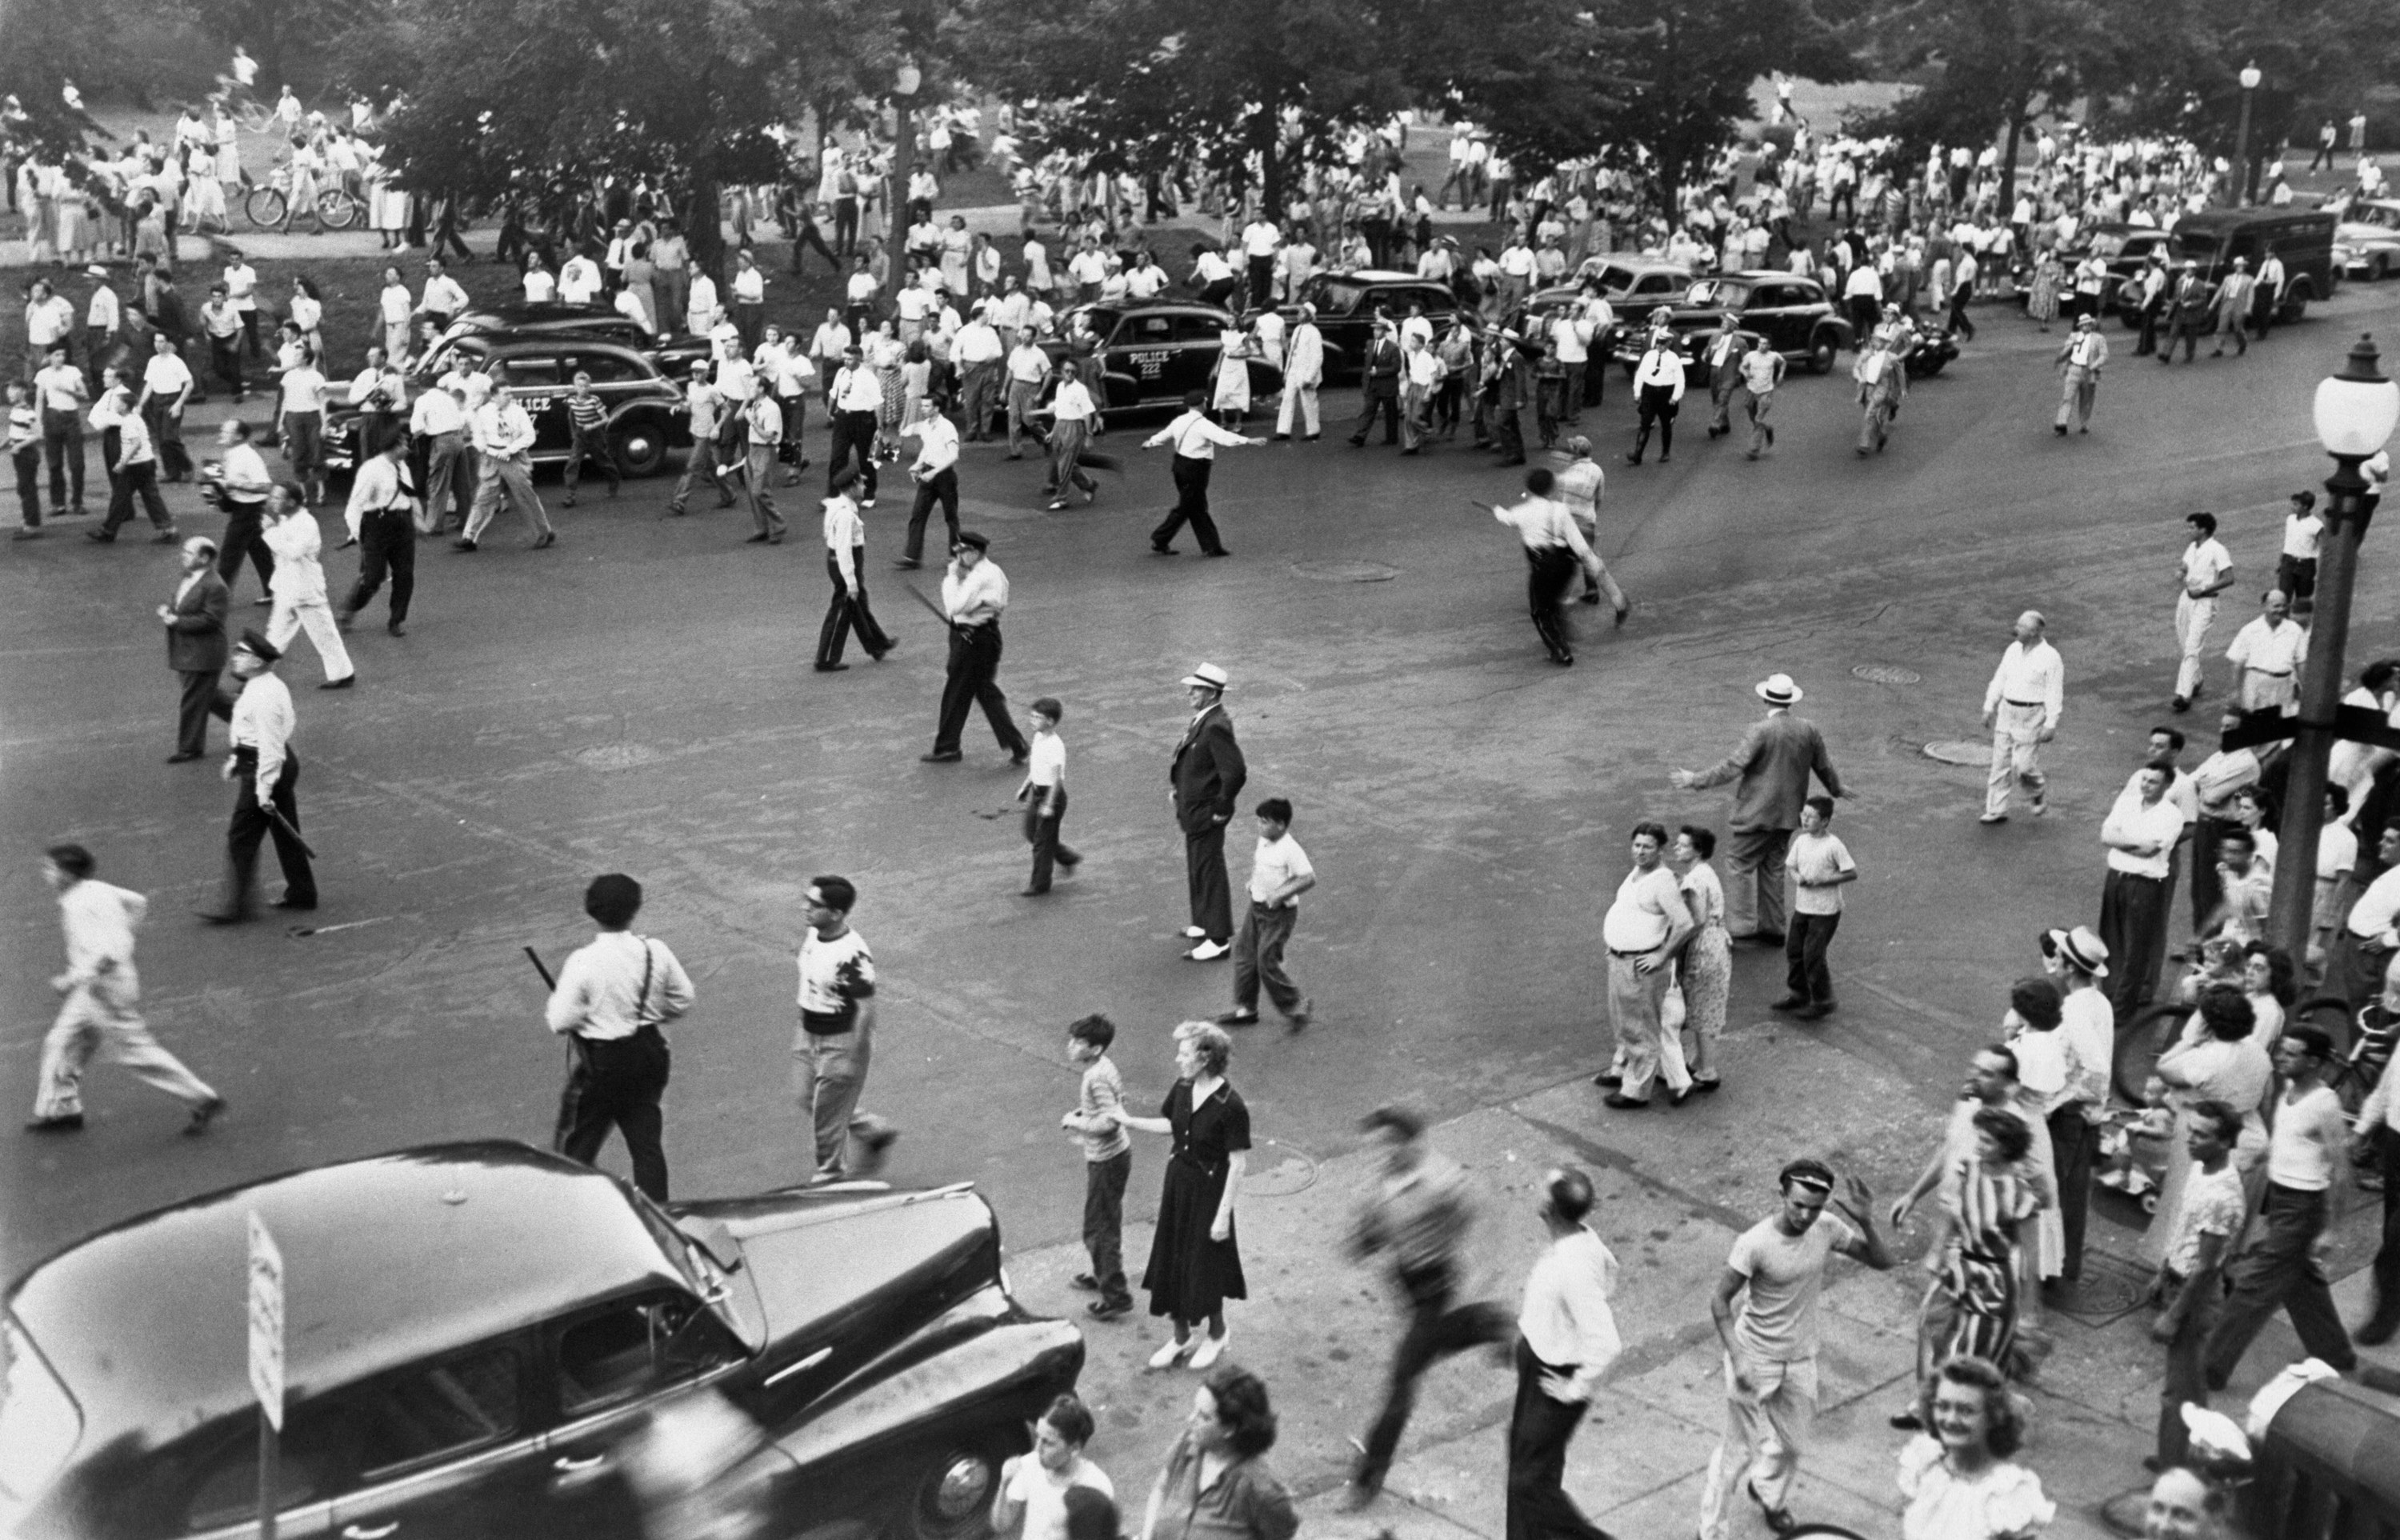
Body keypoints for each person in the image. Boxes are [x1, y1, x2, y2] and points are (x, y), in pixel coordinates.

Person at [1699, 1160, 1893, 1540]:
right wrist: (1738, 1357)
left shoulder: (1828, 1229)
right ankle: (1711, 1531)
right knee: (1735, 1454)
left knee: (1793, 1445)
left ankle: (1768, 1491)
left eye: (1815, 1207)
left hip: (1800, 1359)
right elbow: (1720, 1301)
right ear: (1783, 1195)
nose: (1805, 1215)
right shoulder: (1755, 1243)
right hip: (1755, 1359)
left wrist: (1868, 1221)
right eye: (1798, 1204)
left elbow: (1884, 1262)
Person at [1340, 1106, 1511, 1508]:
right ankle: (1492, 1326)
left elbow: (1484, 1219)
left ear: (1409, 1144)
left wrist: (1479, 1274)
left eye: (1385, 1147)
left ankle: (1368, 1479)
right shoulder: (1382, 1181)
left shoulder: (1442, 1182)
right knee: (1436, 1345)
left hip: (1436, 1288)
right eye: (1373, 1148)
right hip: (1408, 1284)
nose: (1377, 1156)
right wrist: (1365, 1239)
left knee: (1402, 1383)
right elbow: (1374, 1231)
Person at [26, 843, 225, 1136]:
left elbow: (108, 954)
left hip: (106, 991)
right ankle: (61, 1110)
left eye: (50, 868)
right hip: (96, 987)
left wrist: (72, 979)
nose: (46, 874)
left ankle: (202, 1099)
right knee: (61, 1041)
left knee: (136, 1052)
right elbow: (138, 902)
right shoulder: (95, 888)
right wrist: (125, 931)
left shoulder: (81, 905)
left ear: (67, 874)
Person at [2201, 1025, 2358, 1386]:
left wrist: (2332, 1229)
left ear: (2314, 1062)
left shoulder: (2325, 1105)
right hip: (2283, 1198)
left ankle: (2211, 1368)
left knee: (2252, 1288)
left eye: (2291, 1053)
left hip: (2303, 1210)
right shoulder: (2288, 1090)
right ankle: (2336, 1354)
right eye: (2282, 1050)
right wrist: (2257, 1160)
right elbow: (2287, 1141)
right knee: (2301, 1282)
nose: (2280, 1057)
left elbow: (2341, 1171)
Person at [545, 872, 694, 1202]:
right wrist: (650, 1017)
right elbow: (683, 998)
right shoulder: (655, 950)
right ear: (635, 909)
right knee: (646, 1145)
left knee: (581, 1144)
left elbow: (559, 1020)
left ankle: (575, 1210)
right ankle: (660, 1215)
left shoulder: (583, 961)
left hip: (604, 1061)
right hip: (649, 1053)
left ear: (592, 911)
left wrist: (588, 1018)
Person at [1114, 1022, 1250, 1368]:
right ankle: (1181, 1338)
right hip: (1178, 1184)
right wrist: (1129, 1121)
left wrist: (1222, 1216)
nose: (1178, 1059)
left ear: (1205, 1058)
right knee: (1172, 1260)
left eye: (1185, 1053)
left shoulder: (1230, 1105)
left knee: (1204, 1266)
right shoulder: (1184, 1087)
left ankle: (1217, 1334)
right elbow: (1172, 1128)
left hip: (1208, 1191)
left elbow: (1237, 1164)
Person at [1673, 674, 1845, 946]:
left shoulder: (1761, 730)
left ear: (1766, 698)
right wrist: (1836, 789)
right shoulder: (1808, 729)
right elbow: (1823, 765)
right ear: (1790, 701)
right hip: (1788, 815)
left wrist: (1695, 780)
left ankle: (1740, 927)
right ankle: (1773, 926)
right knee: (1772, 866)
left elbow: (1732, 766)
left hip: (1756, 813)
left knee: (1739, 863)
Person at [1508, 1166, 1621, 1540]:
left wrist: (1574, 1388)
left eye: (1543, 1188)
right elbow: (1610, 1271)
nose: (1535, 1188)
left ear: (1549, 1208)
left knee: (1529, 1483)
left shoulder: (1572, 1265)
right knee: (1528, 1466)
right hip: (1540, 1358)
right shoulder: (1582, 1241)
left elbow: (1606, 1343)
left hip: (1555, 1375)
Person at [2150, 1099, 2245, 1467]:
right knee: (2183, 1386)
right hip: (2177, 1281)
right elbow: (2184, 1230)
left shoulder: (2222, 1196)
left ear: (2224, 1143)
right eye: (2191, 1131)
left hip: (2194, 1298)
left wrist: (2174, 1315)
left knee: (2182, 1394)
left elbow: (2206, 1267)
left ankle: (2176, 1471)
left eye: (2202, 1135)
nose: (2191, 1140)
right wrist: (2162, 1272)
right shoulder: (2201, 1169)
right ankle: (2176, 1454)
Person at [200, 630, 317, 922]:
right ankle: (302, 893)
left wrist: (263, 790)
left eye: (241, 654)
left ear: (256, 661)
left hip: (267, 768)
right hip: (268, 763)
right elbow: (265, 732)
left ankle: (235, 907)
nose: (235, 659)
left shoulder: (263, 695)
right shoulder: (263, 686)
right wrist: (236, 759)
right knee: (285, 831)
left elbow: (271, 747)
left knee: (241, 837)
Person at [792, 874, 898, 1182]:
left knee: (825, 1121)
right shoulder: (814, 935)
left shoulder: (852, 954)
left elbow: (866, 1010)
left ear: (837, 914)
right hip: (808, 1032)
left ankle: (830, 1177)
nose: (805, 908)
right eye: (806, 900)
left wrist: (852, 1058)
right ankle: (873, 1130)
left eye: (814, 904)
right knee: (806, 1097)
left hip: (839, 1040)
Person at [1895, 1357, 2055, 1540]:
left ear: (1993, 1416)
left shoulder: (2007, 1493)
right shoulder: (1924, 1462)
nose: (1951, 1419)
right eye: (1943, 1406)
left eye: (1966, 1410)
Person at [1598, 820, 1696, 1108]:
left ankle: (1636, 1091)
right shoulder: (1638, 873)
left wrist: (1661, 956)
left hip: (1638, 965)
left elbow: (1685, 923)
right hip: (1619, 959)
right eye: (1637, 845)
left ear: (1661, 850)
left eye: (1648, 847)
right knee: (1623, 1021)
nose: (1640, 852)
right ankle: (1624, 1070)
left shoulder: (1662, 881)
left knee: (1639, 1028)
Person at [2036, 926, 2114, 1282]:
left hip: (2069, 1116)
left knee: (2053, 1194)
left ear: (2068, 968)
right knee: (2071, 1196)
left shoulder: (2073, 1008)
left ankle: (2048, 1270)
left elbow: (2096, 1068)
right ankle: (2061, 1268)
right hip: (2084, 1117)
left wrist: (2063, 1100)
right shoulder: (2100, 1001)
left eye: (2060, 957)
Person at [1138, 1367, 1297, 1540]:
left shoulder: (1260, 1490)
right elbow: (1161, 1487)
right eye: (1194, 1410)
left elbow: (1282, 1533)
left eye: (1204, 1417)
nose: (1191, 1420)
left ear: (1229, 1429)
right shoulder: (1192, 1440)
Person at [922, 531, 1029, 765]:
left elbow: (954, 607)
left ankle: (948, 747)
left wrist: (952, 578)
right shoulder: (994, 571)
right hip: (985, 635)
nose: (958, 558)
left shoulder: (978, 577)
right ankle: (1014, 742)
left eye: (962, 552)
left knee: (958, 691)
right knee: (983, 691)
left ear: (975, 552)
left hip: (972, 640)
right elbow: (1002, 598)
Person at [1488, 466, 1606, 666]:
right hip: (1565, 564)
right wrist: (1594, 564)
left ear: (1529, 489)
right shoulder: (1560, 510)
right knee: (1554, 599)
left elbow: (1507, 519)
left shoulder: (1521, 511)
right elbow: (1577, 542)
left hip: (1542, 566)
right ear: (1551, 488)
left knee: (1540, 611)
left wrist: (1497, 510)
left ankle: (1560, 650)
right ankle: (1562, 631)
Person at [1170, 664, 1248, 961]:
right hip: (1193, 809)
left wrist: (1221, 808)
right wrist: (1178, 787)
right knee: (1197, 866)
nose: (1190, 693)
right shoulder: (1206, 718)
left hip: (1206, 811)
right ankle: (1203, 923)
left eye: (1196, 689)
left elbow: (1236, 772)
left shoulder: (1215, 724)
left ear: (1212, 693)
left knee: (1209, 870)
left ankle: (1218, 940)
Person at [1215, 798, 1315, 1028]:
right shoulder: (1264, 841)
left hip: (1278, 914)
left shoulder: (1290, 849)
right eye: (1259, 821)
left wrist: (1280, 894)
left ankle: (1295, 1004)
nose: (1259, 826)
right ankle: (1246, 1008)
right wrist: (1254, 881)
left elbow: (1308, 878)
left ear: (1280, 825)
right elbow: (1260, 865)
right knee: (1245, 957)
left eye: (1265, 822)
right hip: (1257, 907)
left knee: (1266, 961)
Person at [2099, 762, 2188, 1020]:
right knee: (2111, 940)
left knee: (2135, 947)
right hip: (2115, 878)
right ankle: (2109, 997)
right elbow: (2106, 836)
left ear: (2167, 785)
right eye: (2144, 780)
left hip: (2145, 885)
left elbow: (2151, 850)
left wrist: (2121, 842)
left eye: (2153, 782)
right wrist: (2135, 843)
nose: (2146, 786)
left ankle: (2121, 1010)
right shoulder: (2127, 802)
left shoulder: (2172, 815)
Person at [1060, 1015, 1133, 1321]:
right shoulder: (1103, 1068)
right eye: (1073, 1039)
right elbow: (1115, 1103)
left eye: (1079, 1042)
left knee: (1098, 1229)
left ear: (1096, 1048)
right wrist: (1084, 1112)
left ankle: (1116, 1296)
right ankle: (1103, 1273)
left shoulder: (1095, 1077)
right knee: (1106, 1223)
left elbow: (1108, 1122)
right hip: (1114, 1157)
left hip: (1106, 1159)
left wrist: (1076, 1121)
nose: (1071, 1046)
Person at [1144, 390, 1263, 558]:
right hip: (1196, 468)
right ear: (1201, 404)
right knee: (1188, 506)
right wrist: (1247, 440)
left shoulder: (1179, 421)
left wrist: (1150, 442)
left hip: (1179, 465)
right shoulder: (1203, 424)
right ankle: (1161, 538)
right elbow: (1223, 437)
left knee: (1196, 506)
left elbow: (1164, 435)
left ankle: (1211, 546)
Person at [261, 482, 357, 689]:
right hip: (287, 586)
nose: (272, 501)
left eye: (277, 498)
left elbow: (293, 552)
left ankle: (343, 673)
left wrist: (270, 532)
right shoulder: (287, 518)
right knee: (276, 632)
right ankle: (258, 673)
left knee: (323, 633)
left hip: (305, 588)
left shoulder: (307, 523)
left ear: (292, 502)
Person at [456, 375, 556, 551]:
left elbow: (529, 436)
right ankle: (469, 538)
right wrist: (484, 449)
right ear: (494, 396)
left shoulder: (518, 412)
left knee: (525, 496)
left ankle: (544, 533)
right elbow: (478, 434)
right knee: (483, 498)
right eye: (505, 394)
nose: (510, 397)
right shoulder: (484, 412)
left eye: (510, 393)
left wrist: (510, 450)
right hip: (491, 456)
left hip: (513, 456)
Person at [994, 1394, 1114, 1540]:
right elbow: (1001, 1525)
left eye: (1048, 1443)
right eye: (1038, 1437)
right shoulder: (1030, 1465)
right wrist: (1004, 1484)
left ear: (1074, 1448)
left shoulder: (1097, 1487)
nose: (1037, 1449)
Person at [1780, 797, 1857, 1018]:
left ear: (1824, 821)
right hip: (1803, 907)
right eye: (1803, 815)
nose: (1804, 819)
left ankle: (1823, 1000)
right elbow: (1791, 867)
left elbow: (1851, 873)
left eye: (1811, 816)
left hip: (1825, 911)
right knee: (1794, 951)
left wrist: (1824, 880)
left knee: (1812, 955)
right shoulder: (1801, 841)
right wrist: (1798, 878)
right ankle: (1799, 994)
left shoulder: (1833, 845)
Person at [336, 434, 417, 638]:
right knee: (373, 577)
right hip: (377, 525)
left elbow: (409, 494)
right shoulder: (371, 470)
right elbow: (355, 505)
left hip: (402, 524)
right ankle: (350, 608)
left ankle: (396, 620)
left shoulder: (402, 466)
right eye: (404, 445)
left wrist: (417, 521)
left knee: (405, 575)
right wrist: (358, 534)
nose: (408, 448)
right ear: (394, 446)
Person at [159, 535, 229, 762]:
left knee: (194, 700)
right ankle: (253, 721)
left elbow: (211, 620)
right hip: (190, 651)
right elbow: (181, 602)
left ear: (205, 557)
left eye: (189, 553)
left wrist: (176, 622)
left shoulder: (215, 585)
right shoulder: (190, 577)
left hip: (203, 654)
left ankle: (189, 748)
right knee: (208, 698)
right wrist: (170, 610)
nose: (183, 556)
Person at [814, 469, 892, 672]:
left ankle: (877, 644)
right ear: (852, 488)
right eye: (861, 483)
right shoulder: (846, 514)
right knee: (843, 607)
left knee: (858, 604)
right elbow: (844, 549)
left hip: (837, 559)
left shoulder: (836, 505)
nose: (865, 487)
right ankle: (826, 658)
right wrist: (850, 581)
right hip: (844, 561)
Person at [1015, 698, 1082, 894]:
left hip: (1051, 796)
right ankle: (1067, 857)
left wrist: (1049, 805)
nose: (1032, 720)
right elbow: (1035, 767)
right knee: (1031, 833)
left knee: (1042, 844)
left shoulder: (1055, 745)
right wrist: (1025, 787)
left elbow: (1056, 780)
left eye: (1038, 717)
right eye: (1032, 716)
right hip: (1037, 792)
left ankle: (1040, 884)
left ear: (1050, 722)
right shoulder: (1038, 738)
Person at [212, 418, 276, 598]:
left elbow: (266, 486)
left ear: (239, 436)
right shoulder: (231, 453)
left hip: (248, 511)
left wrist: (236, 485)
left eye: (226, 432)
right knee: (259, 552)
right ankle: (274, 591)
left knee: (229, 556)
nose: (221, 434)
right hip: (241, 508)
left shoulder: (249, 457)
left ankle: (217, 600)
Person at [896, 398, 959, 566]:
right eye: (922, 406)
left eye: (926, 406)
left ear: (936, 408)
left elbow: (954, 455)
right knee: (917, 515)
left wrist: (934, 472)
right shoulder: (925, 426)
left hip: (945, 477)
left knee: (951, 517)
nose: (923, 409)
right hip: (928, 475)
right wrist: (917, 465)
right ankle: (912, 556)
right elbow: (927, 448)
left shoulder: (947, 427)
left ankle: (956, 556)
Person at [2225, 589, 2307, 716]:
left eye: (2283, 606)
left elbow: (2301, 663)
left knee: (2281, 728)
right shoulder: (2250, 630)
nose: (2280, 610)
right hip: (2256, 685)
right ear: (2264, 606)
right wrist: (2236, 691)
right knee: (2255, 727)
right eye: (2276, 606)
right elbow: (2238, 664)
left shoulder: (2295, 631)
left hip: (2284, 686)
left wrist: (2305, 689)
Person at [1626, 330, 1685, 465]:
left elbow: (1680, 380)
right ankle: (1638, 454)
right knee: (1645, 424)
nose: (1660, 346)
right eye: (1658, 343)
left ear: (1669, 343)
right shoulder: (1649, 355)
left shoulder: (1674, 358)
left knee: (1666, 424)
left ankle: (1665, 452)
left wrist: (1675, 397)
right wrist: (1637, 392)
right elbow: (1640, 374)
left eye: (1663, 343)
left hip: (1666, 393)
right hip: (1649, 392)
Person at [1274, 303, 1324, 441]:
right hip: (1293, 370)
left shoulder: (1314, 332)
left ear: (1309, 315)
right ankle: (1283, 430)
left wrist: (1309, 377)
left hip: (1305, 371)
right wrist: (1286, 372)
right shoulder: (1298, 329)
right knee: (1287, 399)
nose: (1298, 314)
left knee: (1309, 401)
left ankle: (1313, 430)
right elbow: (1291, 352)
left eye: (1302, 312)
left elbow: (1317, 357)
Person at [1853, 331, 1906, 455]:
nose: (1874, 342)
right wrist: (1859, 377)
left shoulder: (1891, 357)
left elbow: (1899, 372)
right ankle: (1882, 435)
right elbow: (1856, 368)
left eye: (1878, 340)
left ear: (1885, 343)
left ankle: (1864, 445)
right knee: (1874, 416)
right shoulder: (1866, 354)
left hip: (1881, 387)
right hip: (1867, 388)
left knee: (1869, 413)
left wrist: (1903, 389)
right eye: (1873, 339)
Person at [1737, 334, 1785, 459]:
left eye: (1765, 344)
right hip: (1752, 391)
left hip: (1766, 392)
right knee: (1753, 416)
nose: (1761, 346)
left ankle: (1754, 449)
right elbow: (1742, 366)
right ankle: (1767, 428)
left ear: (1769, 345)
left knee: (1758, 420)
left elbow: (1783, 363)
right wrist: (1745, 372)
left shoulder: (1774, 356)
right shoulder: (1751, 355)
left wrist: (1780, 375)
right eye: (1760, 343)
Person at [2279, 491, 2325, 617]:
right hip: (2288, 562)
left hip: (2306, 566)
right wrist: (2282, 562)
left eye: (2296, 504)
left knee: (2302, 600)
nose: (2292, 507)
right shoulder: (2290, 519)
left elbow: (2324, 546)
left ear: (2305, 507)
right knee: (2284, 597)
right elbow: (2288, 540)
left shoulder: (2316, 525)